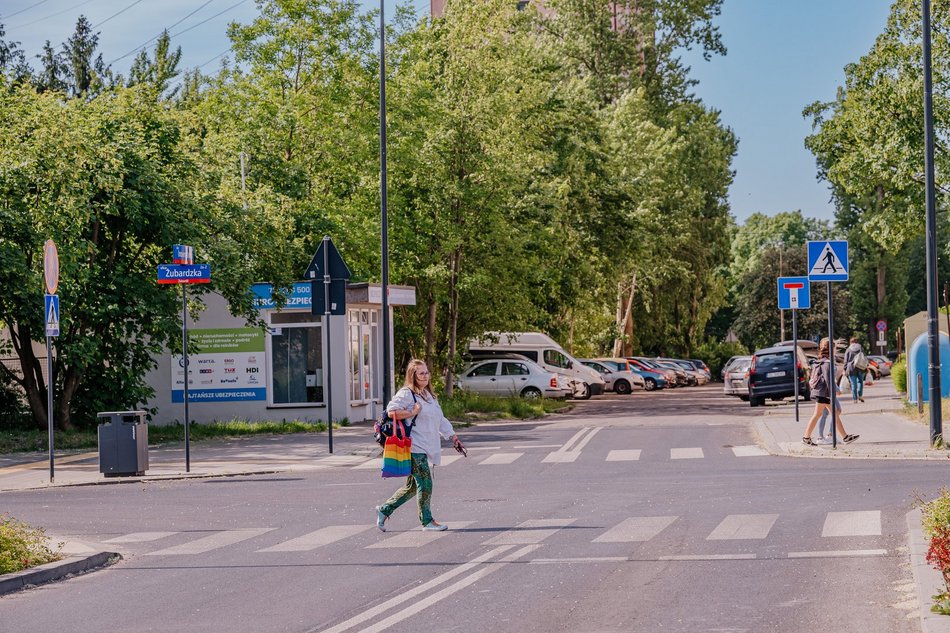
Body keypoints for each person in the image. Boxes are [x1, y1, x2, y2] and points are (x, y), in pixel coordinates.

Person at [375, 359, 465, 532]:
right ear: (413, 375)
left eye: (426, 372)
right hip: (414, 447)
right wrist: (412, 412)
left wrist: (453, 437)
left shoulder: (429, 395)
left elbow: (440, 419)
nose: (425, 376)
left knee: (412, 487)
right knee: (425, 483)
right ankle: (427, 521)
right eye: (421, 373)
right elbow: (390, 411)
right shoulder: (407, 394)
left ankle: (384, 509)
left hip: (427, 445)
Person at [803, 338, 859, 446]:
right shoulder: (827, 363)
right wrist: (832, 394)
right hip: (824, 393)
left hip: (821, 392)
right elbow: (828, 380)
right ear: (831, 349)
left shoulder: (821, 360)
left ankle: (807, 437)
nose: (836, 349)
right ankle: (844, 437)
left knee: (824, 414)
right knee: (834, 412)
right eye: (835, 348)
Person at [843, 336, 867, 403]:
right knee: (860, 382)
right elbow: (864, 358)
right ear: (857, 342)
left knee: (853, 384)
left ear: (850, 342)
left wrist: (845, 369)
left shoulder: (848, 350)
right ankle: (860, 395)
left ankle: (855, 399)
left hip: (851, 368)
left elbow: (845, 361)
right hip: (861, 367)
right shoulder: (861, 348)